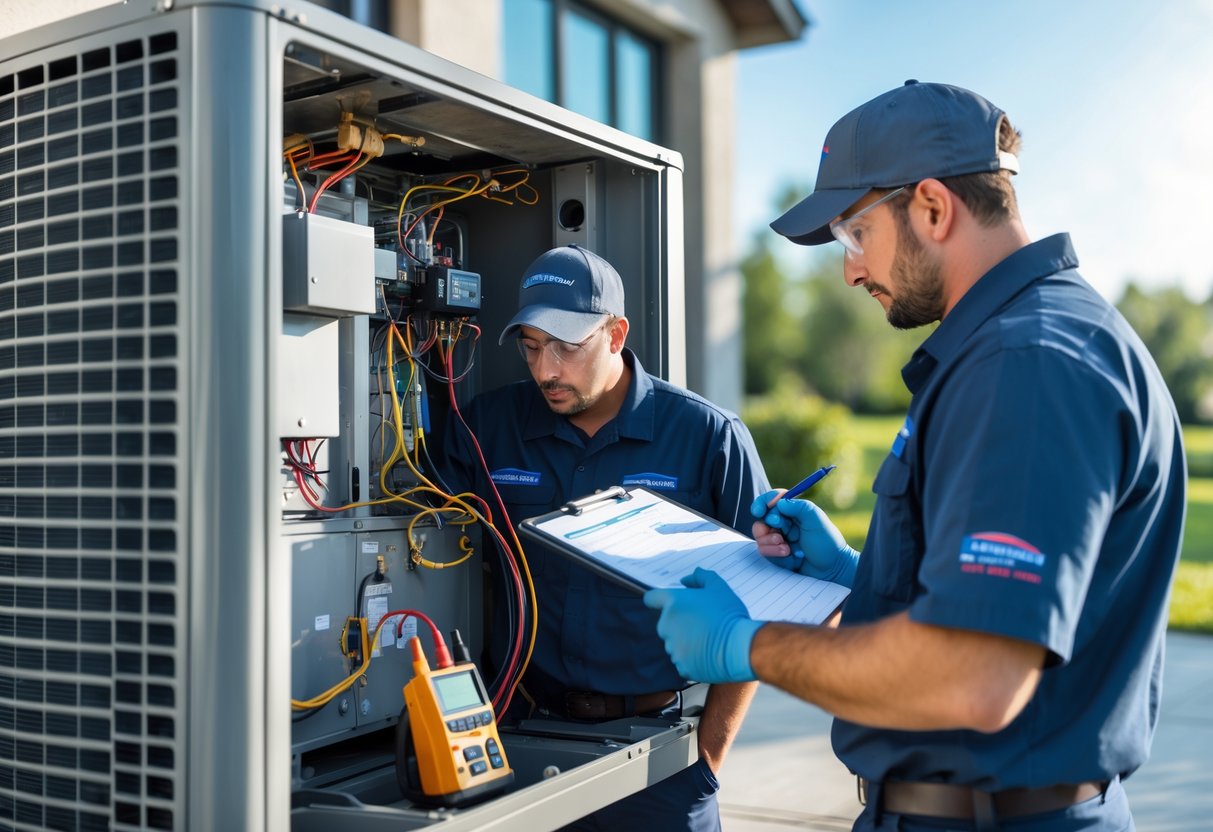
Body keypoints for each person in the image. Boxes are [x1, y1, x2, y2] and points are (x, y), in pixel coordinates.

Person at [643, 81, 1187, 832]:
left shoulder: (1025, 363)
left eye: (854, 234)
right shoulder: (1023, 343)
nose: (850, 270)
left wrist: (743, 644)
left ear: (932, 207)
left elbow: (973, 676)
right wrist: (854, 575)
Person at [441, 244, 771, 831]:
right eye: (532, 346)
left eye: (567, 348)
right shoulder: (487, 428)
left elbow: (766, 606)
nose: (546, 370)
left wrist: (707, 757)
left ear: (616, 334)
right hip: (522, 743)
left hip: (660, 760)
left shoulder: (706, 435)